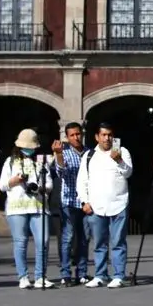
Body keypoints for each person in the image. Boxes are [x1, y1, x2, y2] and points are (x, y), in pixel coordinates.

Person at [77, 122, 133, 288]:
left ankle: (119, 275)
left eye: (110, 135)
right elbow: (82, 181)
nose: (107, 138)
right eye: (104, 135)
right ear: (97, 137)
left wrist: (119, 161)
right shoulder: (89, 156)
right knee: (99, 243)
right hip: (96, 206)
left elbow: (128, 172)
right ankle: (100, 274)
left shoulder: (122, 151)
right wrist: (84, 201)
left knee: (118, 242)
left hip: (118, 203)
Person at [1, 129, 54, 289]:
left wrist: (41, 188)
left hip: (39, 206)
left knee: (43, 241)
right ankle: (23, 276)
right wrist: (15, 180)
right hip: (17, 207)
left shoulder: (41, 161)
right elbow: (2, 185)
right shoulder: (10, 161)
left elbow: (50, 183)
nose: (29, 149)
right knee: (20, 242)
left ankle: (40, 276)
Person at [52, 122, 90, 286]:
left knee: (84, 238)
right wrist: (59, 154)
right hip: (69, 200)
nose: (76, 137)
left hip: (87, 202)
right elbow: (61, 171)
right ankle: (65, 273)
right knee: (68, 237)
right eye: (72, 135)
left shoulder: (89, 153)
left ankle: (81, 273)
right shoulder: (64, 152)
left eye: (78, 134)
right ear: (67, 137)